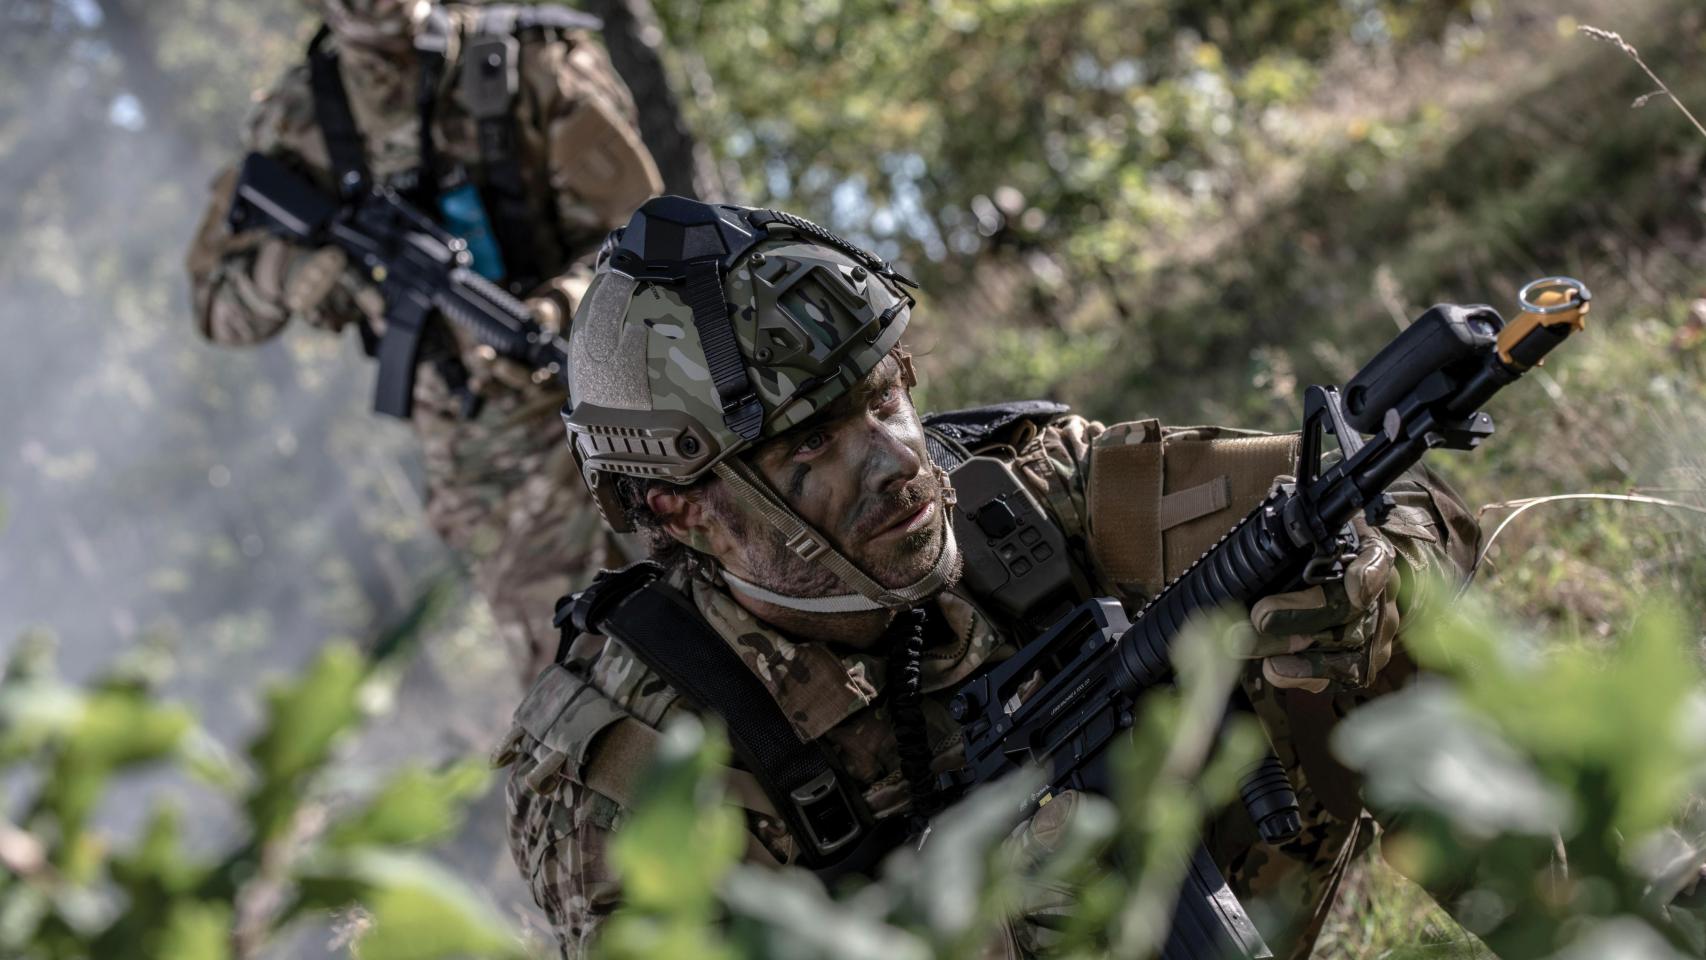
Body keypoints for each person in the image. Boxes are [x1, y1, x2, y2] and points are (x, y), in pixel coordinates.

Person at [493, 196, 1481, 959]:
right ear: (681, 508)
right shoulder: (623, 767)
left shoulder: (1029, 487)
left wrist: (1366, 572)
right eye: (810, 447)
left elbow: (1387, 502)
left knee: (1368, 630)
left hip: (1221, 895)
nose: (891, 461)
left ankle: (1604, 914)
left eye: (883, 395)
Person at [184, 0, 663, 682]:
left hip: (631, 397)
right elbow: (215, 304)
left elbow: (650, 235)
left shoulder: (530, 61)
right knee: (593, 679)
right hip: (496, 468)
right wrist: (289, 273)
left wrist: (560, 307)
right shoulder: (297, 123)